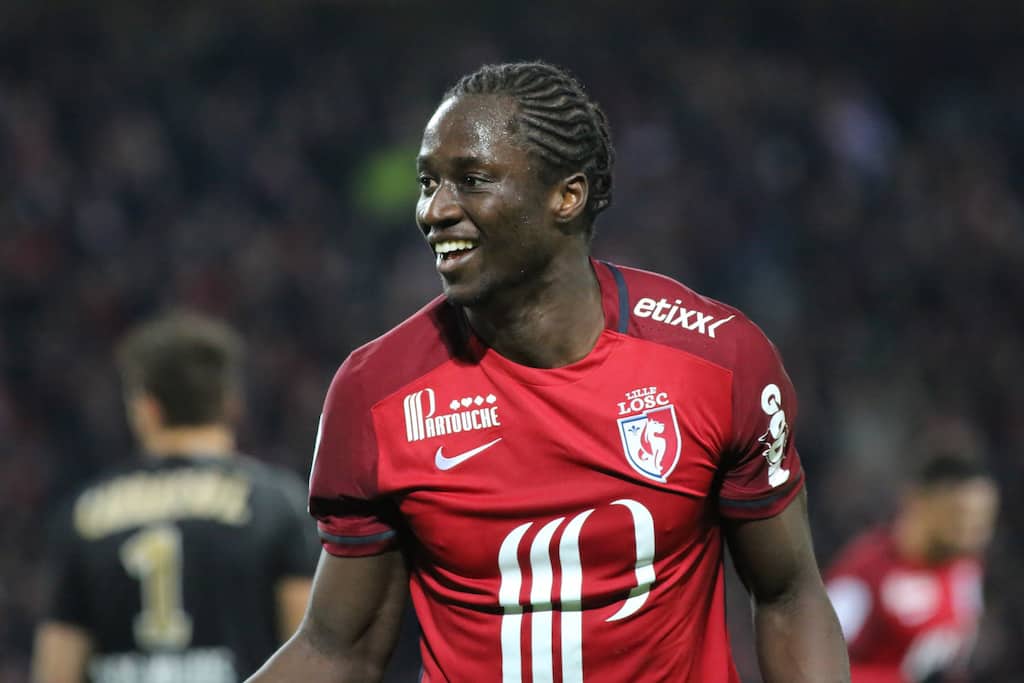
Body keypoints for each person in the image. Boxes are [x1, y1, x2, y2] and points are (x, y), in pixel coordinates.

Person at [250, 61, 848, 682]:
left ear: (567, 195)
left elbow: (789, 594)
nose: (435, 210)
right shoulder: (376, 395)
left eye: (471, 180)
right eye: (428, 183)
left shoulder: (717, 362)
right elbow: (338, 648)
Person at [33, 311, 320, 683]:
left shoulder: (83, 515)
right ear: (231, 402)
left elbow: (57, 670)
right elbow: (312, 652)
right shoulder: (277, 504)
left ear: (147, 408)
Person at [825, 449, 999, 683]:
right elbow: (814, 669)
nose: (976, 531)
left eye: (984, 518)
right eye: (961, 514)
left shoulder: (966, 569)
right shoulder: (862, 576)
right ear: (917, 501)